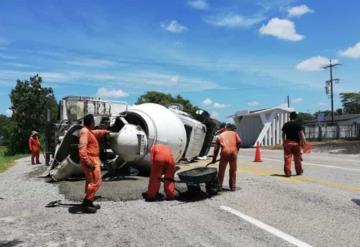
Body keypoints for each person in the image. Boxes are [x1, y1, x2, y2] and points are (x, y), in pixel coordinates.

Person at [78, 114, 110, 213]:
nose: (95, 124)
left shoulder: (88, 131)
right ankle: (86, 203)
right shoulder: (84, 132)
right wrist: (87, 162)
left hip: (92, 159)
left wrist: (105, 132)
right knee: (96, 182)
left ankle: (89, 201)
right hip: (90, 160)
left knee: (91, 181)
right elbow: (82, 148)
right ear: (91, 122)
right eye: (94, 122)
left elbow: (95, 133)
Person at [212, 124, 241, 191]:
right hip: (234, 152)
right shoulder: (234, 133)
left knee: (221, 171)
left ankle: (219, 186)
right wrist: (237, 151)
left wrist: (214, 159)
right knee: (233, 170)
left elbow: (216, 149)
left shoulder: (220, 136)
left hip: (225, 152)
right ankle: (233, 187)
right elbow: (239, 142)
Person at [281, 111, 306, 177]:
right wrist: (304, 143)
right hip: (296, 144)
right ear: (296, 117)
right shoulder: (298, 125)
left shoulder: (286, 125)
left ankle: (288, 172)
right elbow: (302, 135)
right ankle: (299, 171)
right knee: (297, 159)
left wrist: (283, 142)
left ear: (290, 117)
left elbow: (283, 134)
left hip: (288, 143)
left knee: (287, 158)